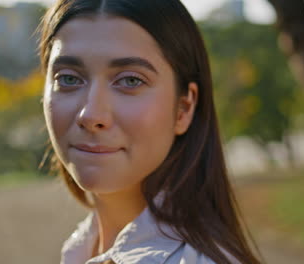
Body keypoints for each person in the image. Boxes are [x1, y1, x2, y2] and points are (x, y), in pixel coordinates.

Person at [38, 0, 261, 263]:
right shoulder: (82, 247)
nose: (91, 115)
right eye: (68, 78)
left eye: (130, 80)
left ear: (183, 108)